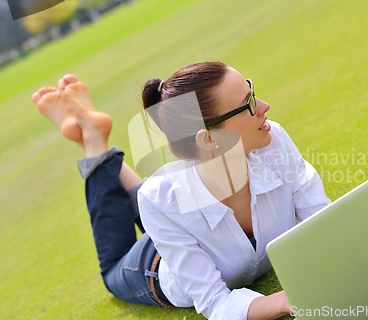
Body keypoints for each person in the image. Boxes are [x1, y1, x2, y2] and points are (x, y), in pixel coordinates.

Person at [32, 61, 331, 320]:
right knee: (113, 271)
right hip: (155, 265)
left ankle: (99, 146)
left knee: (159, 198)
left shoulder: (272, 139)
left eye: (252, 90)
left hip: (171, 206)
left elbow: (324, 221)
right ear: (208, 139)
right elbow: (214, 302)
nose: (265, 106)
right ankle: (95, 144)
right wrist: (283, 300)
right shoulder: (160, 200)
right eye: (249, 102)